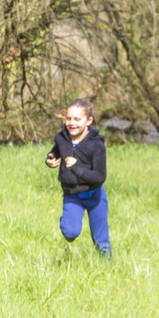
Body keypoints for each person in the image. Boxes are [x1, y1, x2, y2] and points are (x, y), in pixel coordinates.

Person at [46, 98, 111, 256]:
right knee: (70, 232)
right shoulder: (62, 138)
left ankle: (107, 267)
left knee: (101, 240)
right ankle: (68, 221)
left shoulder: (96, 145)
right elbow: (56, 150)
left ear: (89, 121)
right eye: (68, 118)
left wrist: (76, 168)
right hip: (72, 195)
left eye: (77, 119)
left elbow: (100, 176)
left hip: (95, 195)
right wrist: (50, 158)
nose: (72, 123)